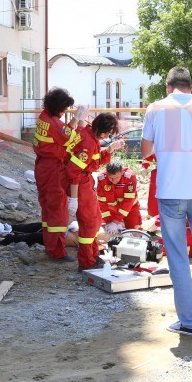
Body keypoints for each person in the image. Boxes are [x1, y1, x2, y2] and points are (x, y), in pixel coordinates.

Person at [141, 66, 192, 336]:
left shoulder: (155, 109)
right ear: (190, 86)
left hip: (170, 194)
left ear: (168, 86)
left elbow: (146, 151)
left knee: (177, 258)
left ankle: (189, 322)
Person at [32, 87, 84, 261]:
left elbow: (62, 134)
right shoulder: (56, 124)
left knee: (48, 209)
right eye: (64, 109)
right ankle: (57, 251)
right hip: (54, 169)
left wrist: (73, 122)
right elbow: (74, 139)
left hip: (42, 167)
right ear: (57, 107)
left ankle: (50, 246)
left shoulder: (43, 118)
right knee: (58, 211)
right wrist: (79, 120)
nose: (64, 112)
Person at [67, 112, 120, 270]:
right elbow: (73, 171)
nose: (108, 136)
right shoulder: (88, 142)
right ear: (103, 131)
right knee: (89, 224)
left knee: (95, 220)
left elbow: (94, 159)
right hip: (81, 182)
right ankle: (86, 261)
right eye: (109, 133)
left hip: (85, 181)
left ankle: (92, 255)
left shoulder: (89, 135)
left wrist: (110, 149)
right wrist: (74, 198)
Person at [98, 159, 142, 236]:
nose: (113, 181)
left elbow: (128, 201)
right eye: (110, 178)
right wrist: (109, 221)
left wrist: (116, 221)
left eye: (117, 177)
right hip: (111, 209)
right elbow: (102, 201)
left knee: (135, 232)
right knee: (106, 231)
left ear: (122, 172)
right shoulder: (102, 178)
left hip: (130, 208)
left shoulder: (130, 176)